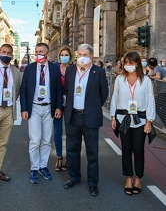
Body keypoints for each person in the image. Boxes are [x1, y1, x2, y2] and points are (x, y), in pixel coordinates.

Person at [63, 43, 108, 196]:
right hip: (72, 116)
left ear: (90, 57)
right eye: (79, 55)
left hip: (90, 117)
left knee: (92, 152)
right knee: (72, 150)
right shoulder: (70, 70)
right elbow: (67, 91)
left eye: (85, 55)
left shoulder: (99, 72)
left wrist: (93, 107)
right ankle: (74, 177)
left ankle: (93, 183)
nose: (81, 58)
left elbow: (104, 93)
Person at [110, 51, 155, 195]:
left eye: (132, 62)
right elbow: (114, 98)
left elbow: (150, 100)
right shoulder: (119, 80)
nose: (129, 65)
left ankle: (138, 178)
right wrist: (113, 117)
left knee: (138, 149)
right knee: (126, 149)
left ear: (137, 63)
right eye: (126, 63)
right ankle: (128, 178)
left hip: (140, 120)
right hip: (123, 119)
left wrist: (149, 121)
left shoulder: (146, 81)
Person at [20, 42, 63, 184]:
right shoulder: (30, 69)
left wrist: (58, 107)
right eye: (36, 51)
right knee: (35, 139)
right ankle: (34, 168)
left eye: (41, 51)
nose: (38, 54)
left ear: (47, 53)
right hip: (35, 108)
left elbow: (58, 90)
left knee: (46, 140)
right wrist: (24, 108)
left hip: (49, 108)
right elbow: (24, 89)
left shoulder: (55, 69)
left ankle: (43, 167)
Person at [0, 43, 20, 181]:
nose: (6, 55)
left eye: (9, 53)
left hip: (9, 111)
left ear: (12, 56)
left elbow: (17, 90)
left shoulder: (16, 72)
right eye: (3, 52)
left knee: (3, 143)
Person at [54, 46, 72, 172]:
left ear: (70, 57)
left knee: (70, 133)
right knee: (58, 132)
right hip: (57, 104)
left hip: (71, 104)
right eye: (62, 54)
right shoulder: (55, 68)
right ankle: (59, 157)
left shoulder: (74, 69)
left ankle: (69, 159)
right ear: (59, 56)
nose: (64, 56)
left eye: (66, 54)